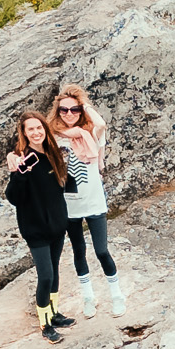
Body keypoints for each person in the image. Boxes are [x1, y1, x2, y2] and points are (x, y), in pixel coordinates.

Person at [47, 82, 126, 316]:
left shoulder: (91, 133)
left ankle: (116, 295)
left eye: (75, 109)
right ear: (57, 111)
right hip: (69, 204)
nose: (69, 114)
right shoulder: (53, 137)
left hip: (93, 201)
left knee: (102, 250)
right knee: (78, 252)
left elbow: (101, 123)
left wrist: (83, 103)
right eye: (64, 110)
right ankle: (88, 297)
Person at [3, 111, 74, 342]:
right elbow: (14, 197)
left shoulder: (53, 153)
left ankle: (54, 313)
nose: (36, 132)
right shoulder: (21, 158)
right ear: (24, 133)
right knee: (45, 276)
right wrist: (19, 174)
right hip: (35, 229)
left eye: (39, 128)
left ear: (45, 129)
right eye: (30, 129)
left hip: (56, 226)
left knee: (54, 273)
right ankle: (45, 324)